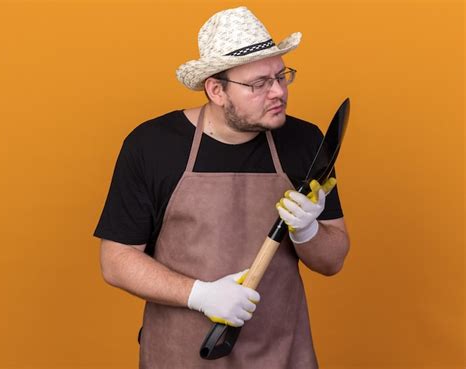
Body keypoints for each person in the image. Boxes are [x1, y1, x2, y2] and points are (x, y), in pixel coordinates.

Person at [94, 6, 350, 369]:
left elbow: (333, 259)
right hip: (183, 353)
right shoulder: (153, 146)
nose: (278, 92)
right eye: (259, 83)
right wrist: (200, 295)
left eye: (281, 76)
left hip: (281, 353)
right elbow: (116, 261)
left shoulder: (304, 142)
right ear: (216, 89)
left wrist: (308, 230)